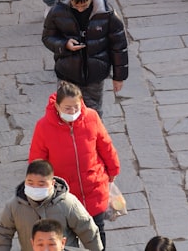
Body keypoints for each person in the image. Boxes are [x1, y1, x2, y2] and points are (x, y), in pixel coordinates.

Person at [29, 82, 121, 251]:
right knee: (68, 240)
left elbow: (105, 145)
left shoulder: (92, 117)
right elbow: (37, 162)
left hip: (94, 188)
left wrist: (113, 168)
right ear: (57, 106)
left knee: (97, 232)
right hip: (64, 197)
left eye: (75, 107)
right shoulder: (43, 127)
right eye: (67, 108)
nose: (72, 112)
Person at [41, 0, 128, 115]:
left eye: (84, 5)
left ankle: (92, 136)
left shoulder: (106, 14)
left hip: (96, 73)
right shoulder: (57, 12)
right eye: (76, 6)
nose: (80, 9)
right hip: (67, 72)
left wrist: (119, 77)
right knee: (67, 111)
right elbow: (47, 37)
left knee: (93, 112)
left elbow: (119, 46)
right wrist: (64, 45)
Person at [0, 160, 102, 251]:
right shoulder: (15, 206)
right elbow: (2, 232)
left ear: (52, 183)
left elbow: (87, 229)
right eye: (30, 183)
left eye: (41, 184)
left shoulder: (68, 203)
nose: (35, 188)